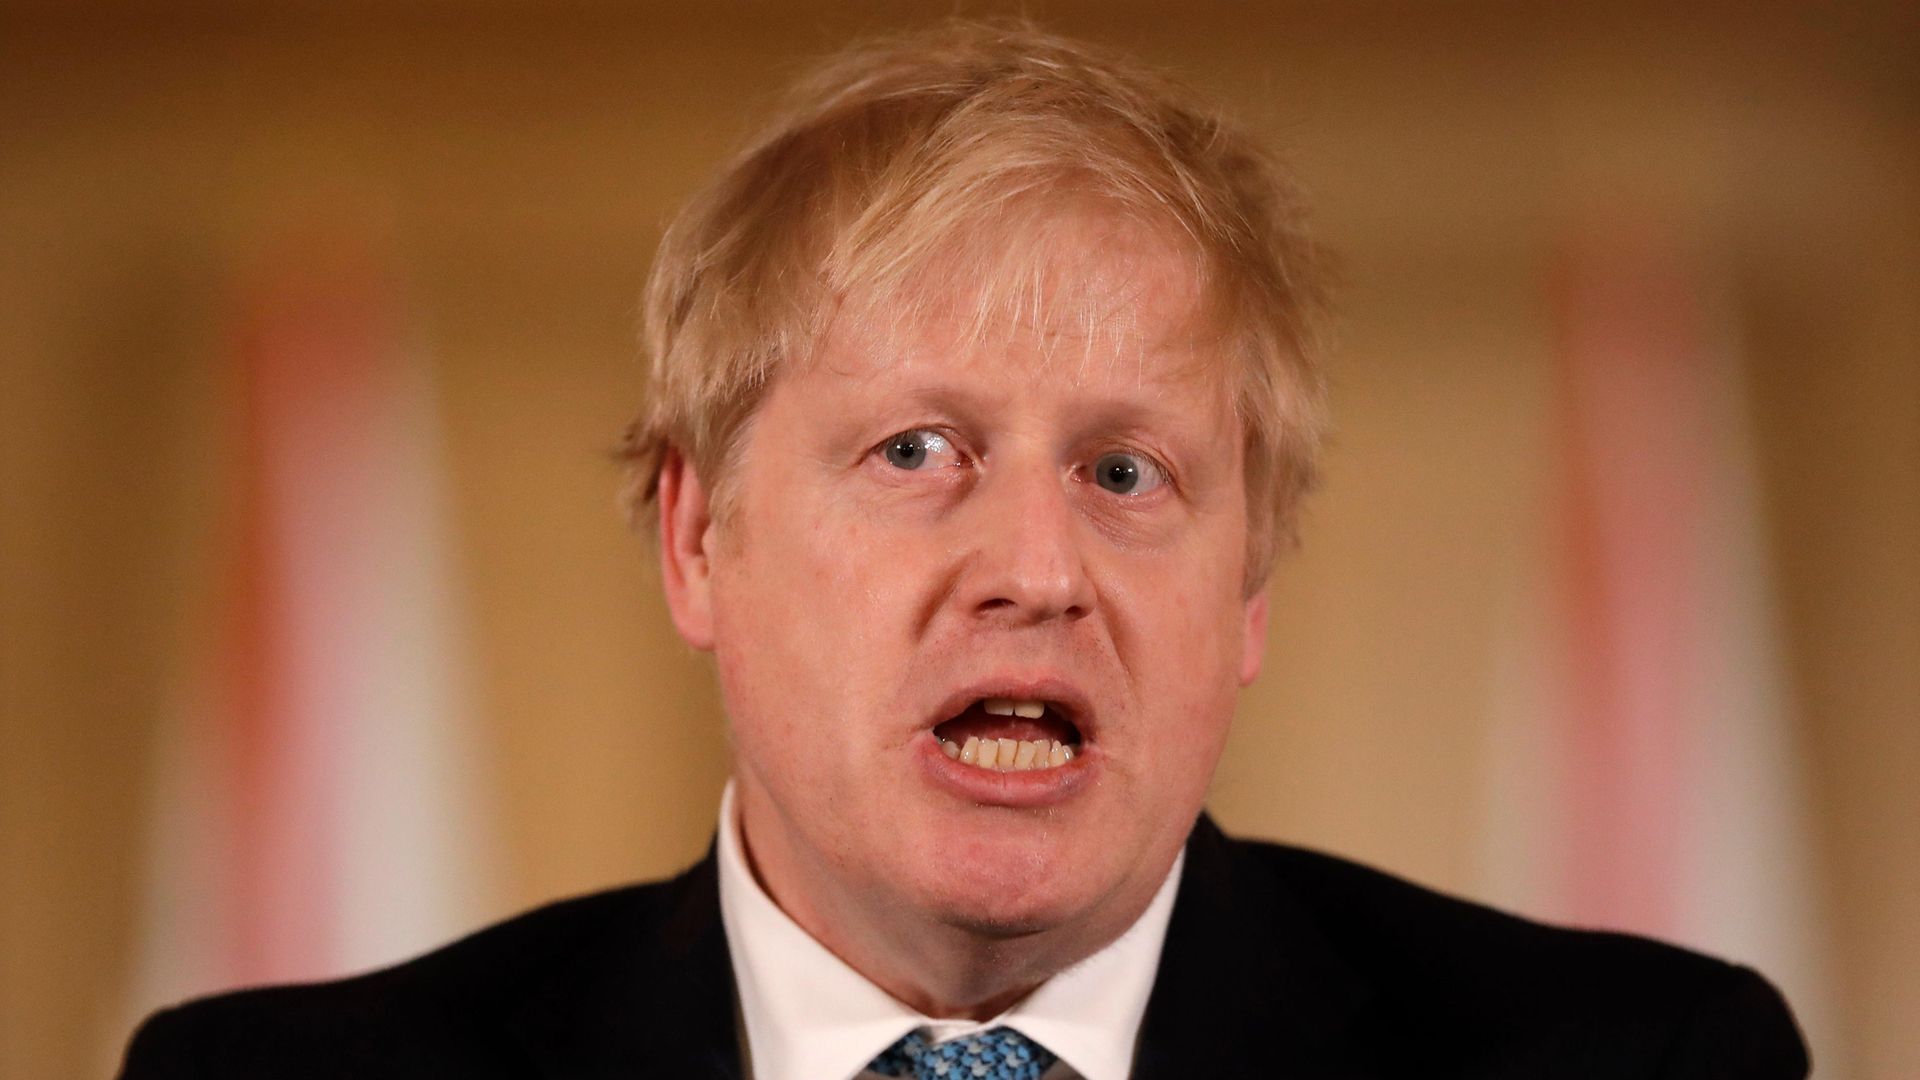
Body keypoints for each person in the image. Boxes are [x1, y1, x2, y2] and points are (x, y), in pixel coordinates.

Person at [119, 19, 1808, 1079]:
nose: (1036, 567)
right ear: (699, 543)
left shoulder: (1642, 1060)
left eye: (1128, 471)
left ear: (1250, 594)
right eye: (917, 450)